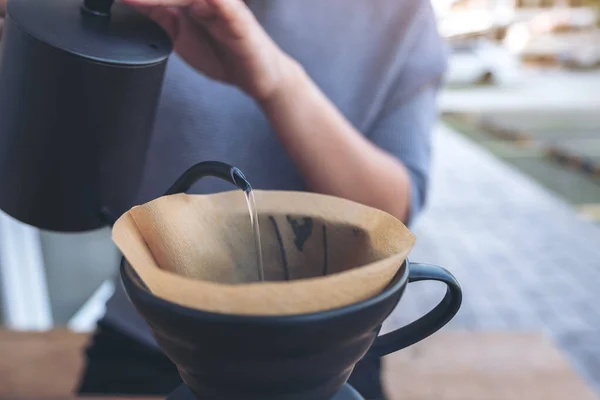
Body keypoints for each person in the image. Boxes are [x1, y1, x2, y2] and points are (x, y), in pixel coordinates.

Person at [0, 0, 446, 398]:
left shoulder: (400, 16)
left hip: (327, 352)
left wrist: (275, 82)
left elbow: (391, 218)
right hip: (158, 335)